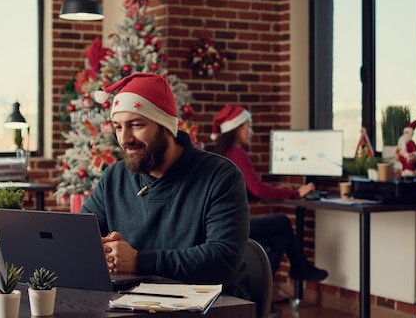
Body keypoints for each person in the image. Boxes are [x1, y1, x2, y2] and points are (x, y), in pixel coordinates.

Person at [81, 73, 251, 299]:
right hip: (131, 304)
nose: (125, 138)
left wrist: (138, 261)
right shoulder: (114, 177)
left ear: (167, 127)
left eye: (136, 125)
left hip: (208, 307)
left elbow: (223, 258)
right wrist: (102, 249)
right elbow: (80, 238)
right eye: (119, 127)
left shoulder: (220, 176)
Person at [211, 105, 328, 283]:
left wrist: (279, 187)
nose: (251, 131)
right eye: (248, 126)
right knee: (282, 221)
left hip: (221, 227)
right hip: (234, 228)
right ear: (237, 129)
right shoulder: (238, 153)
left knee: (280, 240)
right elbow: (257, 189)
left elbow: (250, 188)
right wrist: (296, 193)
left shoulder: (223, 153)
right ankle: (299, 267)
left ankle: (259, 292)